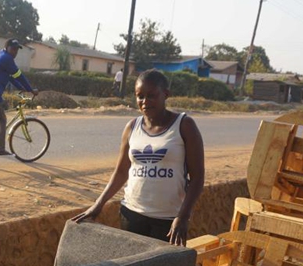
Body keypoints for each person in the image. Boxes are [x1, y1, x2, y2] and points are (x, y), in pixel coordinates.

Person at [73, 69, 205, 246]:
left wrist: (183, 216)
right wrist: (98, 204)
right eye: (140, 96)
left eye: (151, 95)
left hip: (167, 220)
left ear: (166, 94)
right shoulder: (132, 127)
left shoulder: (184, 125)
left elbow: (197, 177)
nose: (145, 102)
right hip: (131, 213)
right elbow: (121, 171)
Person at [0, 38, 38, 156]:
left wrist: (23, 88)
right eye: (13, 49)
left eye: (17, 50)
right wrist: (31, 90)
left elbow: (11, 76)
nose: (15, 52)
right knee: (2, 120)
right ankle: (1, 149)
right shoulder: (7, 59)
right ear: (7, 47)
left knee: (0, 109)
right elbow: (19, 75)